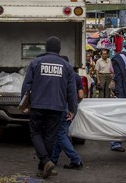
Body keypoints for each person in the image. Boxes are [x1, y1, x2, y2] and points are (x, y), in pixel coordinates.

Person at [21, 36, 77, 179]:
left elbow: (27, 85)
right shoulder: (67, 66)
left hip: (38, 105)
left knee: (35, 133)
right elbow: (71, 91)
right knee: (50, 137)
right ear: (59, 49)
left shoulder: (35, 63)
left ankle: (45, 161)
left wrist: (25, 104)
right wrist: (72, 109)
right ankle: (42, 167)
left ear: (46, 48)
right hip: (57, 106)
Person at [50, 56, 83, 172]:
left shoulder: (59, 76)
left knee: (60, 135)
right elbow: (80, 95)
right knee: (61, 134)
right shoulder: (77, 77)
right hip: (71, 107)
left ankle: (76, 160)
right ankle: (53, 159)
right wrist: (73, 108)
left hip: (62, 107)